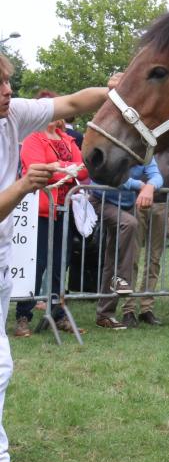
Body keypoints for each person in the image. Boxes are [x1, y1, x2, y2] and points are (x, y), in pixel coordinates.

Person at [0, 52, 118, 462]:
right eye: (0, 84)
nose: (9, 90)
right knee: (0, 367)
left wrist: (123, 95)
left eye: (8, 81)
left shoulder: (14, 113)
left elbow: (72, 102)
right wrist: (26, 184)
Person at [14, 92, 89, 337]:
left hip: (63, 211)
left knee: (60, 264)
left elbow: (84, 170)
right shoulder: (32, 139)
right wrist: (67, 169)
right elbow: (36, 171)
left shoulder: (68, 140)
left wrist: (59, 168)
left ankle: (57, 314)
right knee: (37, 264)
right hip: (40, 211)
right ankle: (23, 316)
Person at [90, 158, 163, 329]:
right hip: (101, 201)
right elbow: (107, 176)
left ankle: (104, 315)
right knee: (130, 223)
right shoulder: (116, 147)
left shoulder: (145, 153)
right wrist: (139, 185)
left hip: (126, 206)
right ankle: (121, 279)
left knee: (112, 259)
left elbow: (157, 176)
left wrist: (150, 186)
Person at [119, 152, 169, 328]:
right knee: (132, 257)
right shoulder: (140, 146)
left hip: (162, 204)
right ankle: (128, 309)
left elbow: (159, 176)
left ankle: (146, 308)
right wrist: (144, 186)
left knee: (154, 259)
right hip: (137, 202)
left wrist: (151, 186)